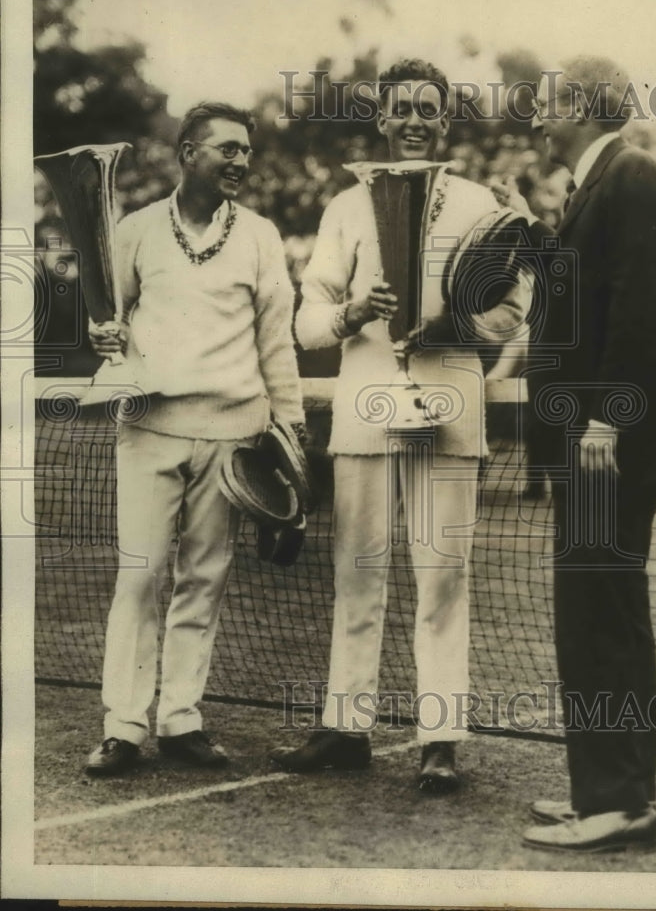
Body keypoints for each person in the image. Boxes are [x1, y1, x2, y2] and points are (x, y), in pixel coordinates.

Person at [269, 59, 532, 792]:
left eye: (427, 107)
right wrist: (353, 314)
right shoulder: (345, 208)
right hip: (363, 411)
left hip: (448, 407)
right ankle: (344, 728)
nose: (414, 118)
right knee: (356, 569)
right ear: (382, 119)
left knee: (442, 575)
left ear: (444, 120)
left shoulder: (482, 205)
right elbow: (308, 315)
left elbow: (515, 308)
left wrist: (458, 323)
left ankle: (438, 737)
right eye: (401, 108)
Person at [505, 57, 656, 851]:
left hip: (607, 446)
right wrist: (528, 233)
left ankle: (618, 803)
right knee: (602, 614)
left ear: (582, 108)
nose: (536, 121)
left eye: (548, 107)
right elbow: (584, 297)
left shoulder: (632, 177)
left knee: (597, 618)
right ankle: (612, 788)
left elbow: (640, 313)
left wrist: (603, 423)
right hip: (596, 439)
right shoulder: (603, 182)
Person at [85, 102, 305, 775]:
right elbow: (105, 319)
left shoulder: (262, 235)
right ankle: (123, 727)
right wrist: (101, 335)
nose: (240, 161)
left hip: (231, 435)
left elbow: (276, 342)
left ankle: (181, 720)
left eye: (246, 150)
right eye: (226, 149)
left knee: (203, 581)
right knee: (139, 575)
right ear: (187, 153)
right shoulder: (135, 230)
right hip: (148, 426)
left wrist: (290, 431)